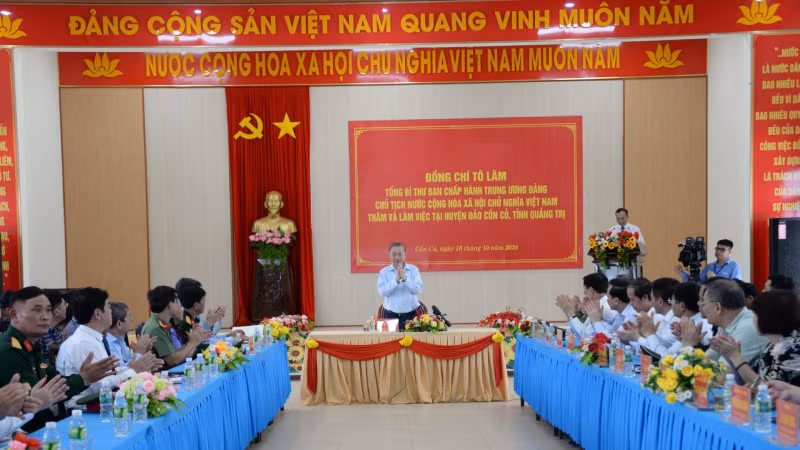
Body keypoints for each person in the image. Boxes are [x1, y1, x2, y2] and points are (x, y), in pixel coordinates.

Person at [0, 287, 117, 432]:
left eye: (48, 310)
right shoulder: (9, 351)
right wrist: (83, 378)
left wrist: (84, 377)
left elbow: (56, 383)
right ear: (14, 314)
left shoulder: (31, 346)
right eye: (37, 310)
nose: (45, 316)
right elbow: (37, 401)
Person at [56, 288, 162, 408]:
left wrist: (138, 366)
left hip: (99, 404)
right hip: (84, 409)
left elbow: (106, 375)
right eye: (108, 308)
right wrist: (133, 371)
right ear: (97, 314)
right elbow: (100, 385)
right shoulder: (83, 344)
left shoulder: (92, 338)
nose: (111, 312)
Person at [711, 289, 800, 386]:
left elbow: (769, 390)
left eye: (756, 314)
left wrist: (736, 357)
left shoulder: (791, 348)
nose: (752, 318)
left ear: (769, 317)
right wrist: (729, 357)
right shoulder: (772, 345)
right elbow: (749, 381)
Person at [678, 279, 770, 367]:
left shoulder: (747, 327)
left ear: (717, 307)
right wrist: (691, 344)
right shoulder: (726, 324)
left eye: (703, 302)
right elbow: (709, 359)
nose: (699, 305)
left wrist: (688, 345)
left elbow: (720, 374)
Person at [141, 286, 211, 368]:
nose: (181, 306)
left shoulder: (160, 324)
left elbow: (172, 353)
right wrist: (193, 343)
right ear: (170, 305)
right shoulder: (156, 328)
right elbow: (172, 360)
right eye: (178, 303)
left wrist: (192, 341)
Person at [617, 278, 680, 353]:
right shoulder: (664, 318)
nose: (651, 303)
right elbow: (659, 343)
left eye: (652, 298)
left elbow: (662, 353)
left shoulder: (675, 321)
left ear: (660, 301)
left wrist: (637, 337)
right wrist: (641, 333)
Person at [556, 273, 623, 338]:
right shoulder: (598, 304)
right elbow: (585, 328)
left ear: (590, 290)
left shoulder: (605, 307)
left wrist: (570, 314)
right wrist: (578, 314)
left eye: (585, 291)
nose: (584, 295)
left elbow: (585, 335)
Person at [376, 242, 424, 330]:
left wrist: (405, 279)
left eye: (400, 254)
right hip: (389, 315)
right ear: (389, 255)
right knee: (389, 342)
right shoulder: (384, 272)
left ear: (405, 255)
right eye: (394, 254)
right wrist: (396, 280)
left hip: (411, 315)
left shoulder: (413, 270)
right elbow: (382, 292)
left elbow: (418, 290)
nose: (397, 257)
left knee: (413, 342)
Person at [107, 302, 156, 367]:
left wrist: (144, 352)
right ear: (119, 324)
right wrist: (138, 352)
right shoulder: (108, 344)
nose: (132, 320)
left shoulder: (120, 340)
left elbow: (129, 361)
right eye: (129, 316)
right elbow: (122, 373)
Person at [674, 239, 742, 282]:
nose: (718, 251)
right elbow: (698, 282)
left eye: (722, 250)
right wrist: (682, 273)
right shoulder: (710, 266)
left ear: (729, 251)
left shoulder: (735, 266)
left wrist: (716, 278)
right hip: (709, 300)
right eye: (717, 249)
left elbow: (735, 286)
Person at [38, 290, 68, 364]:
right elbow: (42, 365)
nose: (67, 306)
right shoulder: (41, 335)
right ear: (56, 311)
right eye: (64, 304)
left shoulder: (57, 332)